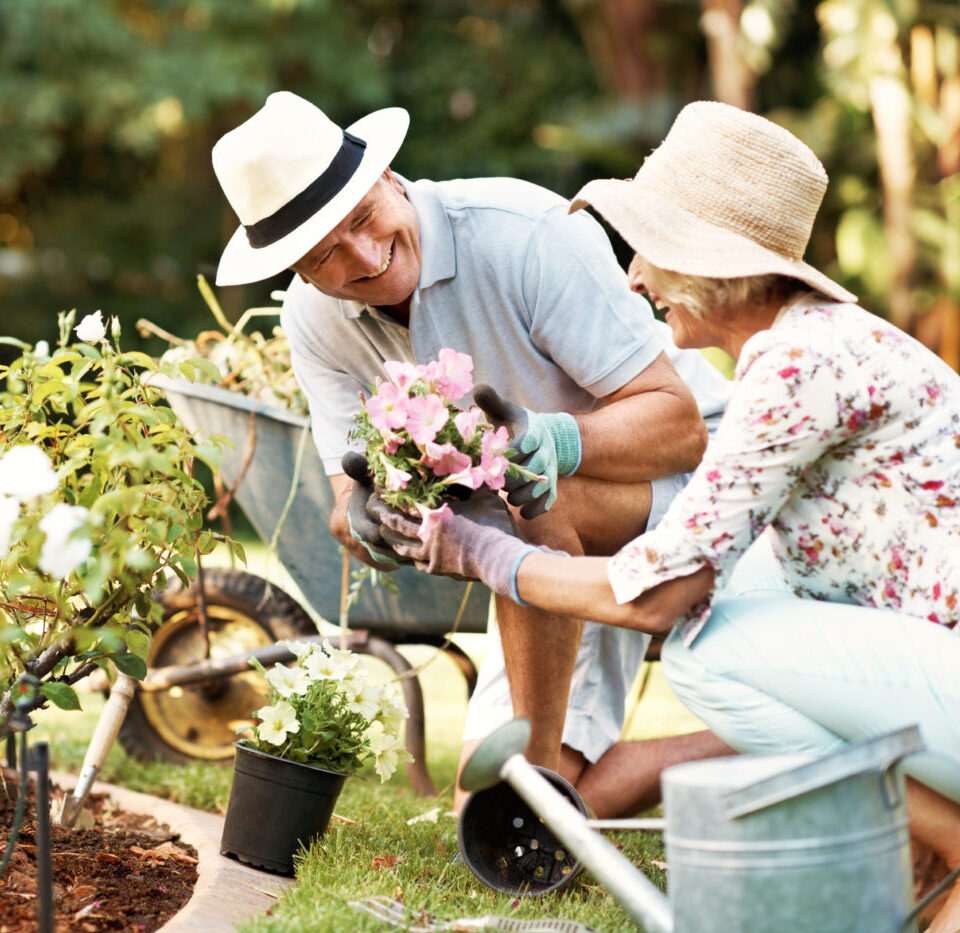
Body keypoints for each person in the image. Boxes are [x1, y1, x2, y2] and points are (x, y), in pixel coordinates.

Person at [377, 100, 960, 932]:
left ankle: (948, 838)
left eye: (647, 248)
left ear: (705, 262)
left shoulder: (798, 363)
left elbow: (658, 594)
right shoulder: (810, 347)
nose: (634, 278)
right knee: (741, 591)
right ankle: (921, 847)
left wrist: (481, 553)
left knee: (700, 645)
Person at [209, 90, 735, 815]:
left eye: (362, 218)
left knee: (530, 492)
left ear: (389, 178)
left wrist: (553, 438)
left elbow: (682, 426)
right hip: (543, 549)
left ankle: (534, 792)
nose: (363, 256)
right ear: (297, 272)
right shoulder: (315, 321)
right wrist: (366, 518)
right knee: (473, 808)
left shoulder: (525, 234)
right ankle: (762, 750)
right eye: (326, 255)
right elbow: (343, 499)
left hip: (699, 489)